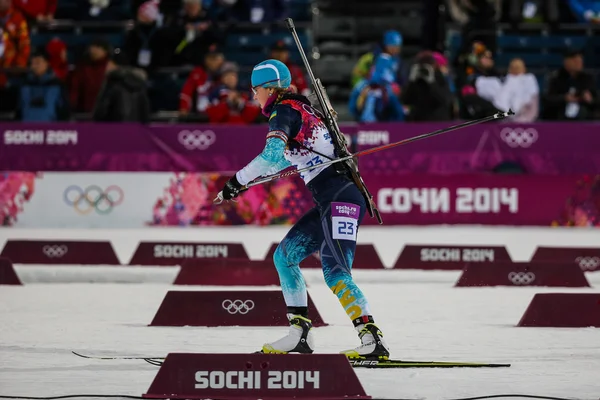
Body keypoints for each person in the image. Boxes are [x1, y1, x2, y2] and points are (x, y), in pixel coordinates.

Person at [216, 59, 390, 359]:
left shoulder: (283, 111)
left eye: (255, 89)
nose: (253, 95)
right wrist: (250, 180)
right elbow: (292, 156)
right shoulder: (302, 108)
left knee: (335, 273)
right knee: (285, 257)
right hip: (330, 200)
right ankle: (299, 335)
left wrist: (236, 181)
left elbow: (270, 155)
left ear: (269, 89)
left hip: (341, 198)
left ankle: (372, 340)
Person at [92, 50, 151, 123]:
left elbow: (101, 112)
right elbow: (145, 111)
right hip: (136, 130)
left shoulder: (112, 83)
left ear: (114, 65)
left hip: (114, 130)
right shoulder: (140, 84)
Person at [543, 50, 597, 120]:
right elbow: (547, 99)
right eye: (576, 61)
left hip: (583, 117)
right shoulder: (555, 78)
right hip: (559, 116)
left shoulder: (588, 79)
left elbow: (596, 100)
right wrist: (565, 98)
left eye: (581, 61)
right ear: (566, 62)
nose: (579, 64)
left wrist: (589, 99)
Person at [16, 51, 69, 121]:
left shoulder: (57, 85)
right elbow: (18, 111)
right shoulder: (24, 84)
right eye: (32, 63)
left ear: (47, 63)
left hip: (50, 129)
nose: (34, 66)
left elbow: (64, 113)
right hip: (27, 128)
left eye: (37, 63)